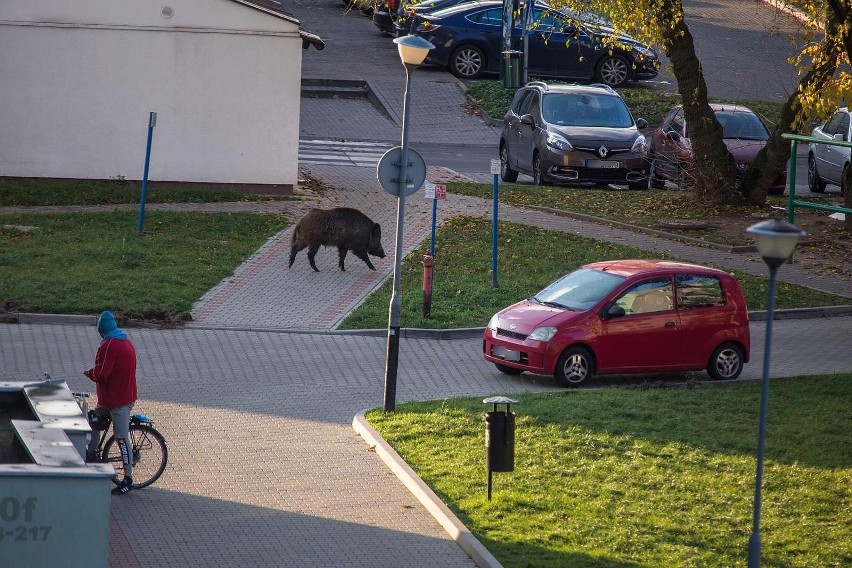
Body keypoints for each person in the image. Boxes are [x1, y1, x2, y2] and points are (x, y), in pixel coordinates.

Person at [84, 310, 138, 495]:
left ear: (101, 331)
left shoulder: (109, 345)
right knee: (93, 423)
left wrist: (90, 373)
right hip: (118, 398)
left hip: (117, 401)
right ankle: (91, 457)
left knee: (122, 438)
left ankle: (128, 478)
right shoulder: (125, 340)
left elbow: (101, 374)